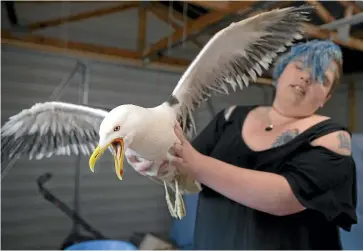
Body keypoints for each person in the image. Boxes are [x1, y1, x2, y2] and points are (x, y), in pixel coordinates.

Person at [125, 39, 358, 250]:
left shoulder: (333, 137)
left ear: (325, 98)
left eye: (322, 78)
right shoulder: (230, 117)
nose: (307, 77)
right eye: (300, 66)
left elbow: (283, 197)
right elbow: (186, 176)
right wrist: (156, 165)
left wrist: (196, 163)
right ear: (280, 70)